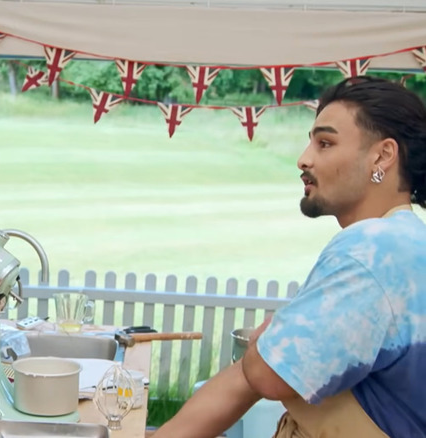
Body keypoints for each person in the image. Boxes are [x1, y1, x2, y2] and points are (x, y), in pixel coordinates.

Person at [153, 76, 426, 438]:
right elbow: (247, 378)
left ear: (382, 155)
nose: (304, 159)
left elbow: (266, 375)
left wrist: (262, 342)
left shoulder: (373, 249)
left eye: (325, 143)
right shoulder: (411, 243)